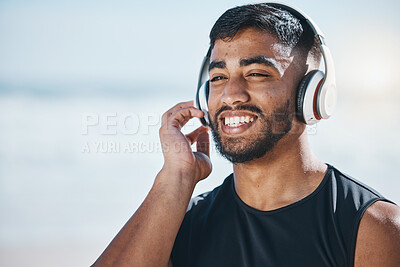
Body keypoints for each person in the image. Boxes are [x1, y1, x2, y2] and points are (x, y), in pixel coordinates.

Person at [92, 3, 400, 267]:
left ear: (312, 95)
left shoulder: (373, 226)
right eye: (218, 77)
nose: (231, 95)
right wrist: (176, 179)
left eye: (256, 74)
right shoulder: (179, 223)